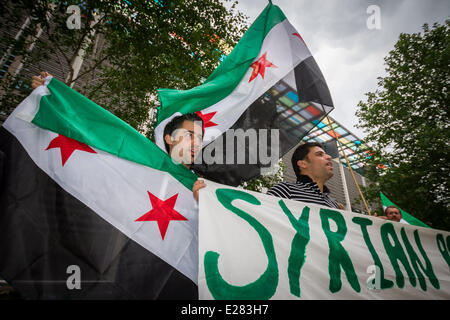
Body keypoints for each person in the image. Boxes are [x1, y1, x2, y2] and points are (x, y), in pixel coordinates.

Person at [31, 72, 206, 201]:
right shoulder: (142, 161)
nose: (196, 143)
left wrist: (203, 205)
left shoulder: (203, 189)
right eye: (189, 135)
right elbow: (91, 132)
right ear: (169, 138)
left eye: (199, 138)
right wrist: (51, 97)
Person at [267, 142, 341, 209]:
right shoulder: (285, 190)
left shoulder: (334, 204)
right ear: (303, 164)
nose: (329, 157)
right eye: (319, 154)